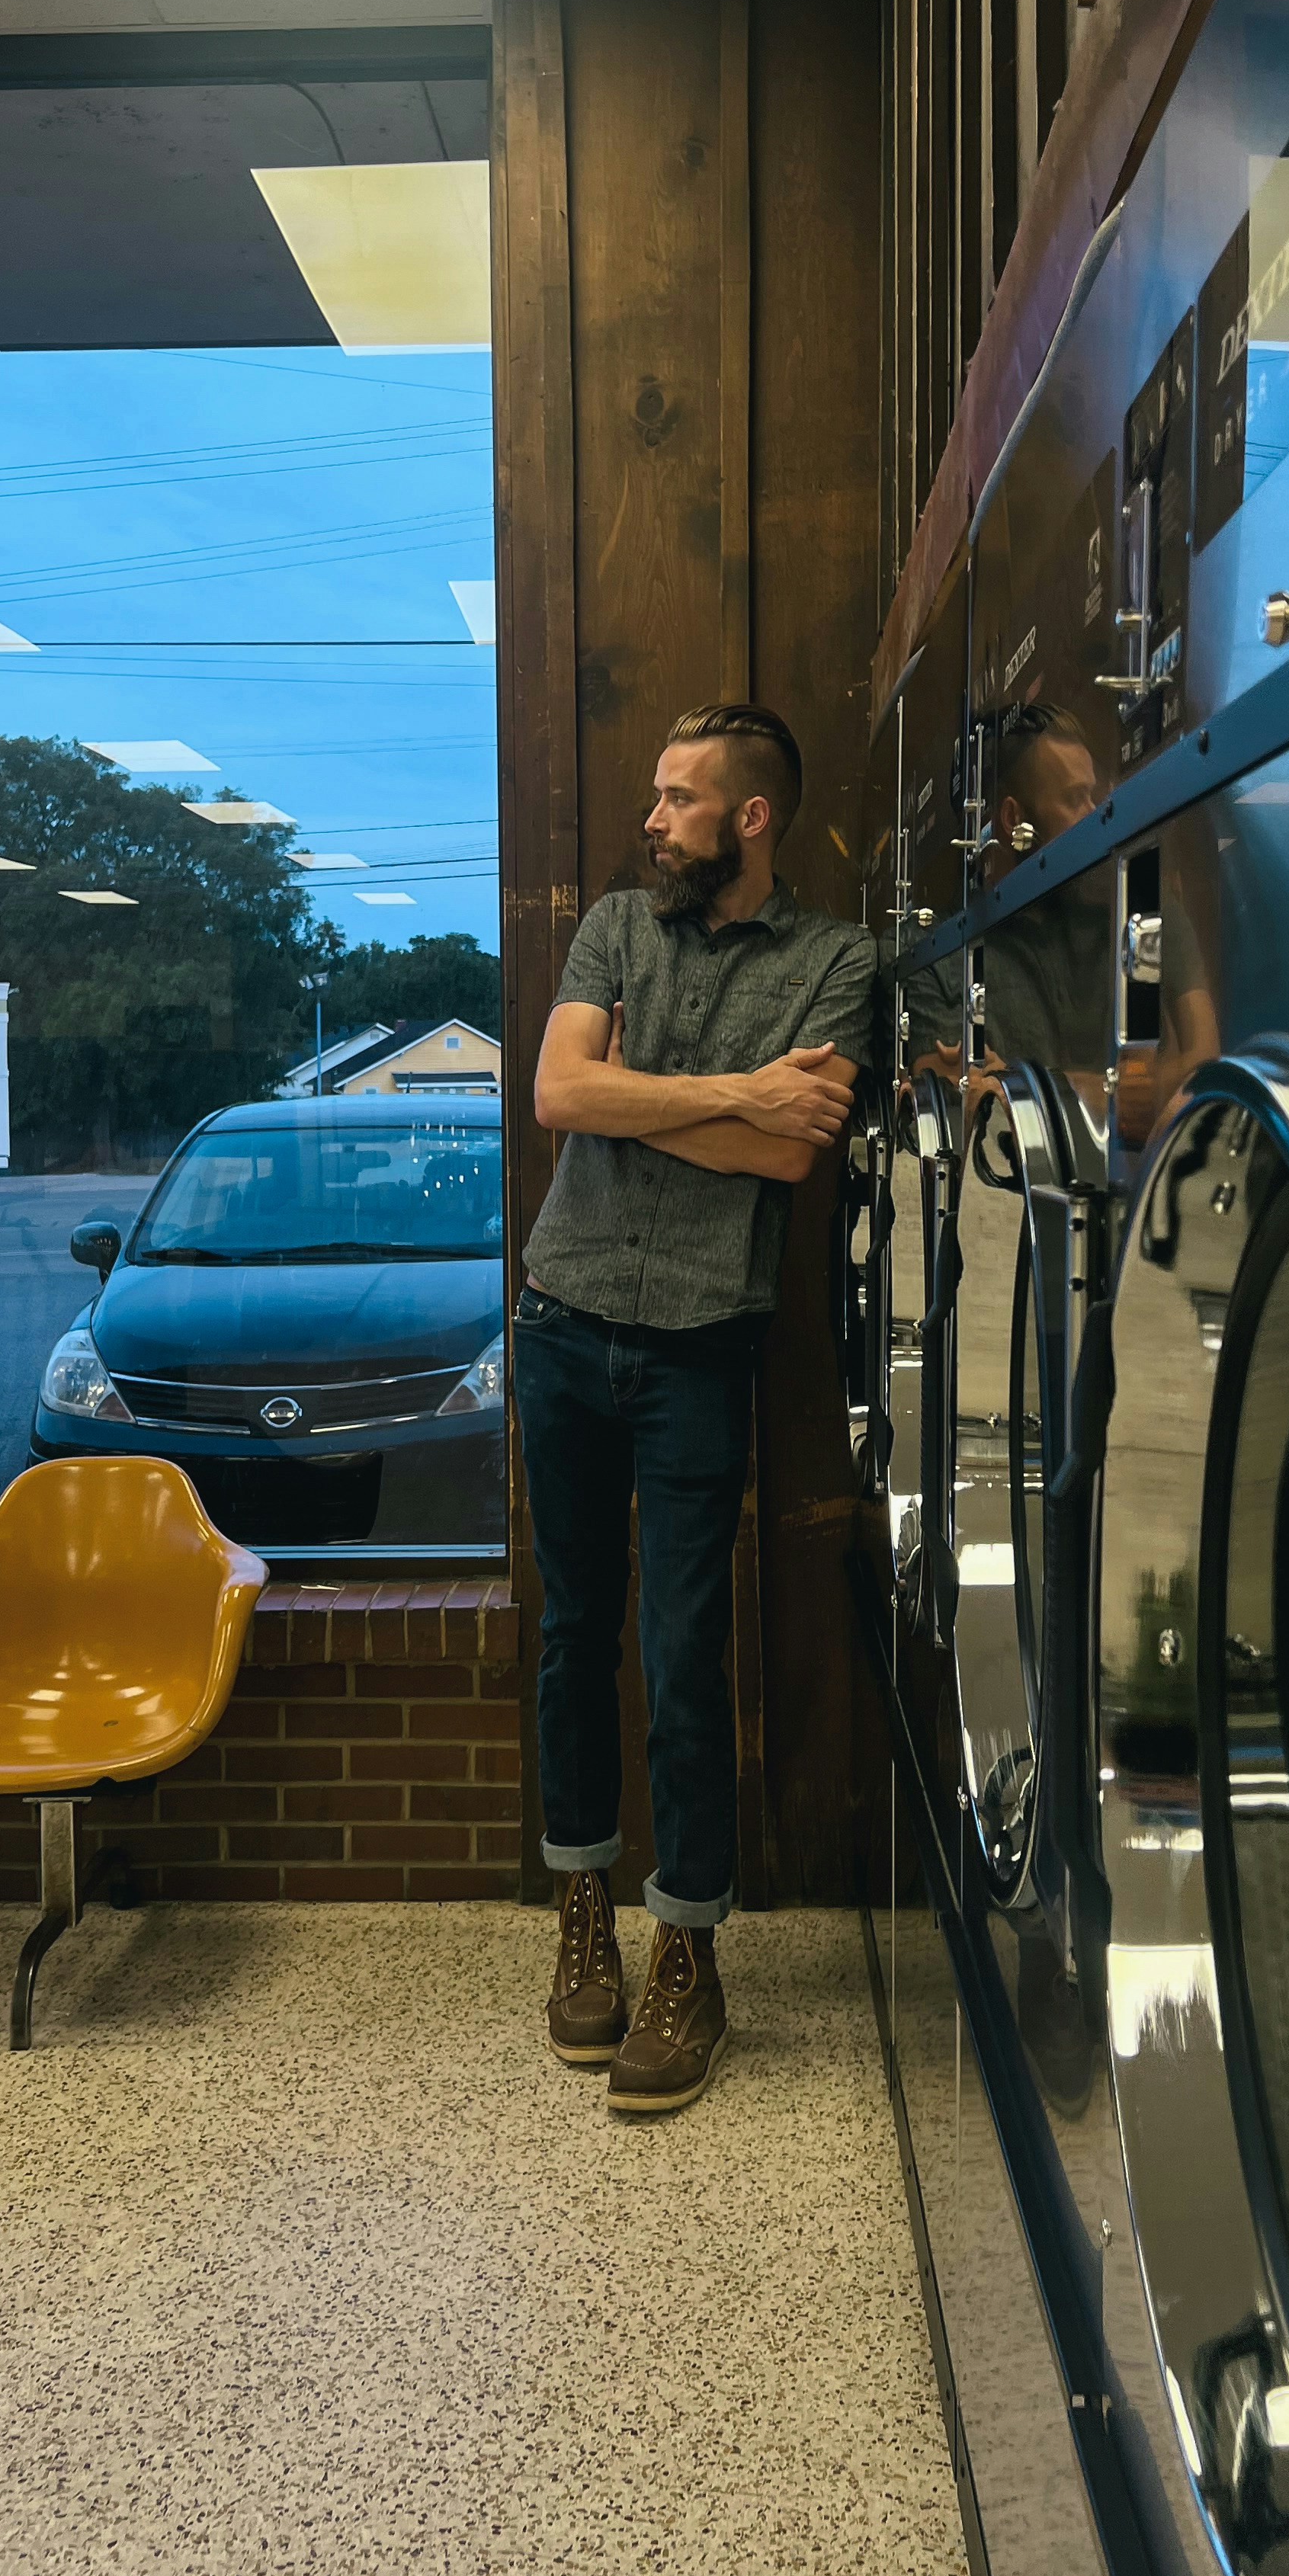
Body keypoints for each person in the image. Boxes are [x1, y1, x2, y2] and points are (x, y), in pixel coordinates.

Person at [514, 702, 876, 2114]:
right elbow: (558, 1092)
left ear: (752, 817)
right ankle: (583, 1923)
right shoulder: (615, 925)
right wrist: (731, 1096)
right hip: (563, 1325)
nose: (654, 818)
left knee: (684, 1658)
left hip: (700, 1352)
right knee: (572, 1639)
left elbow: (792, 1161)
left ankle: (689, 1954)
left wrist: (639, 1098)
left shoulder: (837, 959)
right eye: (657, 795)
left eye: (679, 799)